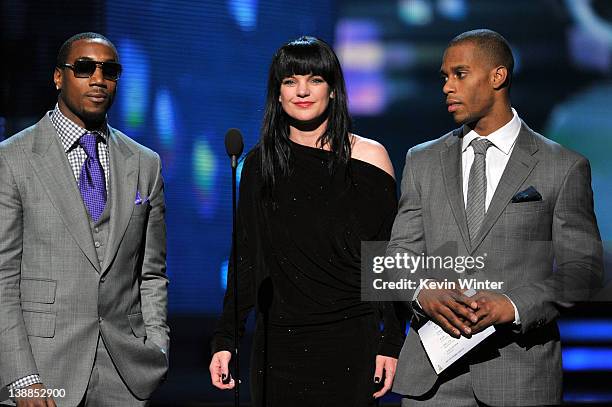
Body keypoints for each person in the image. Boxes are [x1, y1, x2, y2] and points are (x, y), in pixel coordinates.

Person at [387, 29, 602, 406]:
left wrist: (513, 305)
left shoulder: (562, 166)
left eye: (459, 74)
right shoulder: (421, 160)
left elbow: (582, 270)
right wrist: (422, 291)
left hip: (519, 375)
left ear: (497, 76)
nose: (447, 87)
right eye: (444, 77)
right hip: (434, 381)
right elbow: (396, 258)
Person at [209, 36, 404, 406]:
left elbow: (388, 259)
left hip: (351, 344)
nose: (302, 90)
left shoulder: (370, 158)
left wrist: (391, 341)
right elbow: (246, 259)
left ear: (333, 90)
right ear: (277, 94)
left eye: (314, 79)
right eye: (290, 81)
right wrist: (226, 339)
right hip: (278, 348)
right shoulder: (257, 165)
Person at [0, 32, 169, 407]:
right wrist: (21, 378)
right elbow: (3, 278)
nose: (98, 79)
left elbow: (151, 272)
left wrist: (156, 346)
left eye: (109, 70)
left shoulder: (145, 163)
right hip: (42, 373)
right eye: (84, 68)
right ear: (58, 77)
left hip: (125, 376)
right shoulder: (12, 159)